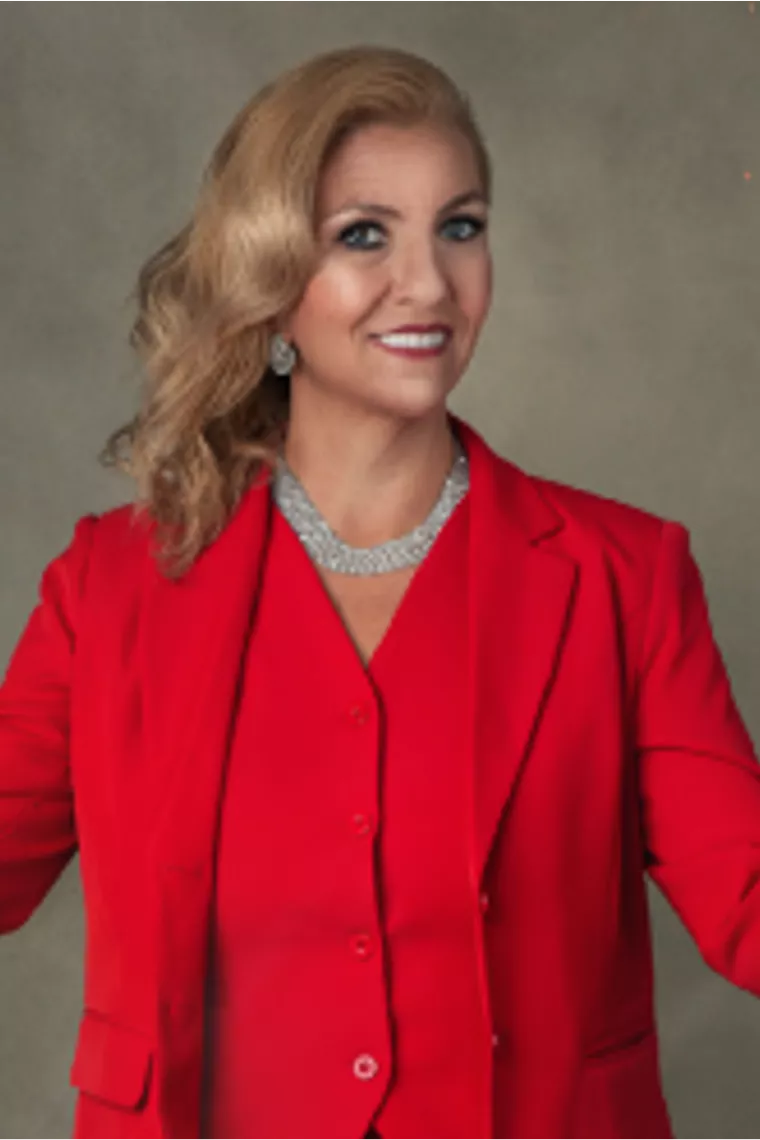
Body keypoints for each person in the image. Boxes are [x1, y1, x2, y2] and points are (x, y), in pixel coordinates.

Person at [1, 41, 759, 1140]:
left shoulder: (624, 578)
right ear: (269, 284)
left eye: (461, 226)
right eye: (364, 234)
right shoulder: (107, 588)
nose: (431, 283)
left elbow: (747, 894)